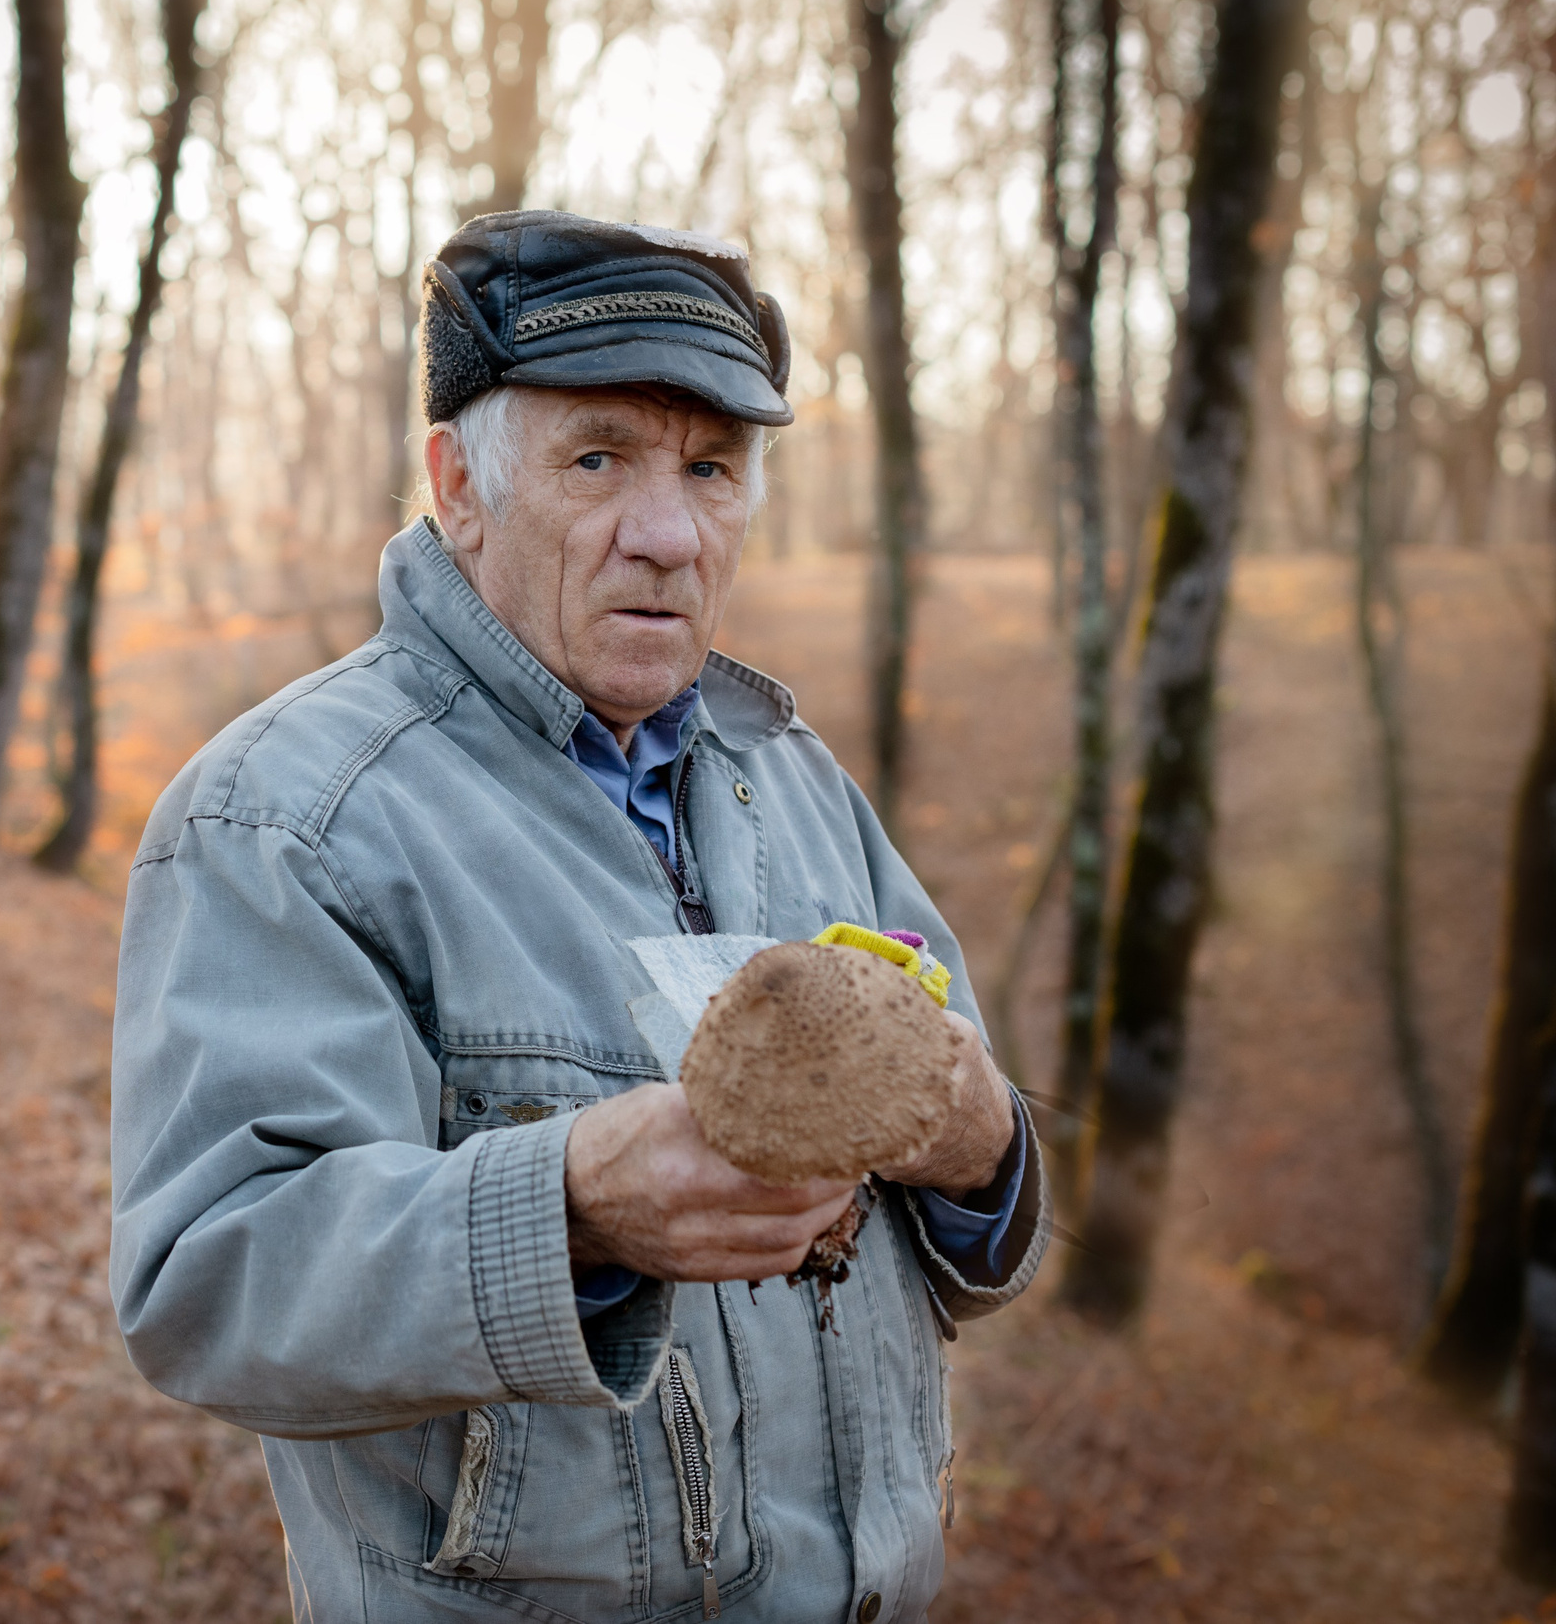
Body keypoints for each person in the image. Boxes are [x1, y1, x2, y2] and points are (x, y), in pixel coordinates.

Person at [109, 210, 1047, 1624]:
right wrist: (573, 1210)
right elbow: (209, 1285)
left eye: (712, 470)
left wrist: (985, 1150)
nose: (667, 535)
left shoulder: (796, 785)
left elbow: (951, 1240)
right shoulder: (283, 818)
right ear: (459, 486)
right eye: (599, 458)